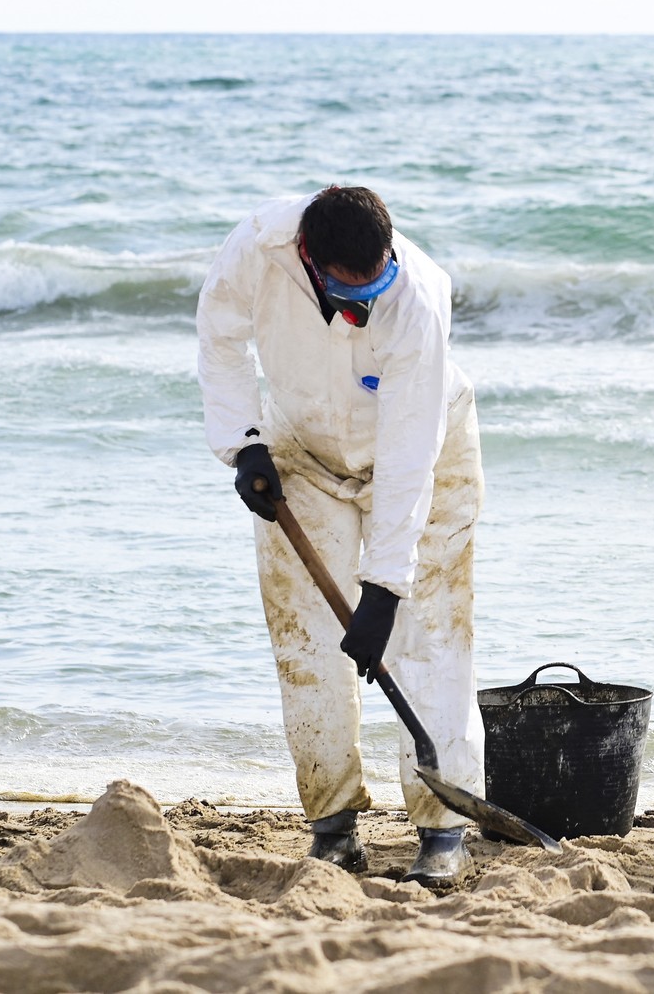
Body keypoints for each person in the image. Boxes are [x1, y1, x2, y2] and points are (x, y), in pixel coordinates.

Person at [197, 185, 485, 885]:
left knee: (429, 635)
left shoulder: (418, 299)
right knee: (305, 638)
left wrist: (383, 589)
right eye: (348, 291)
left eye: (373, 287)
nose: (365, 302)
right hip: (300, 445)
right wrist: (244, 443)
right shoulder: (256, 248)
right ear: (308, 259)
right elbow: (220, 335)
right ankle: (333, 828)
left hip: (424, 451)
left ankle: (443, 829)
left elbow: (410, 457)